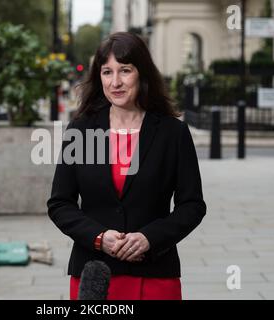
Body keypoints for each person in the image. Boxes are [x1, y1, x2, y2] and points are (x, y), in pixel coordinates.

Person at [47, 32, 206, 300]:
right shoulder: (82, 130)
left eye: (125, 70)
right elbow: (60, 203)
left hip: (155, 276)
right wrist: (99, 237)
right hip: (95, 278)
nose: (115, 82)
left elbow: (192, 205)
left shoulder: (172, 132)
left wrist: (150, 238)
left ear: (141, 74)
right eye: (107, 72)